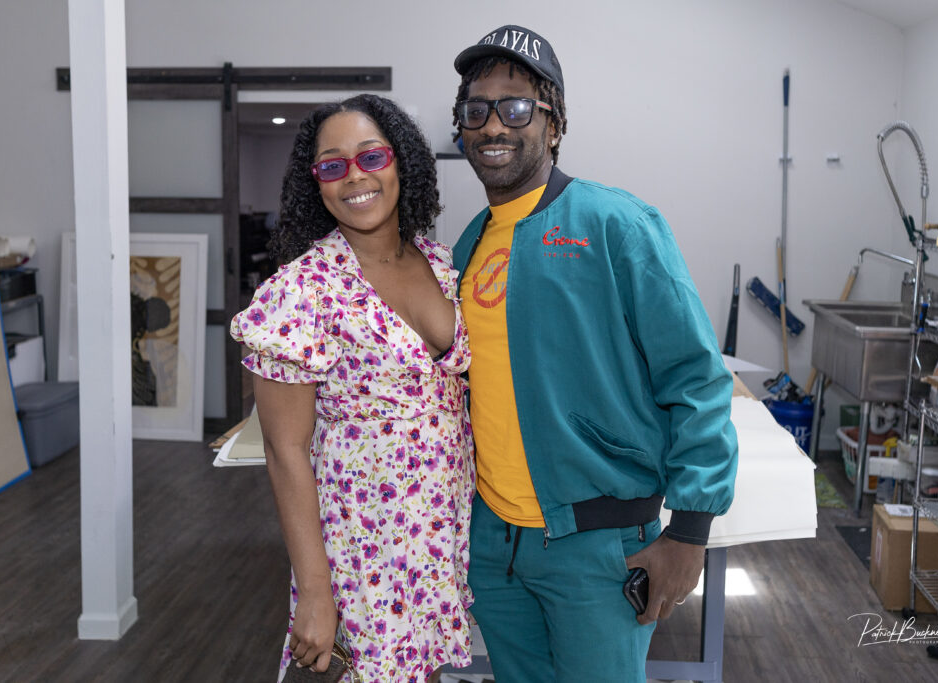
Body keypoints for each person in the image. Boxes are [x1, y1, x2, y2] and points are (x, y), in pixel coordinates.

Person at [450, 25, 739, 682]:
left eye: (515, 106)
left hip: (599, 546)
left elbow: (696, 377)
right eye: (476, 109)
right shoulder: (469, 245)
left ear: (554, 124)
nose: (493, 124)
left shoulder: (615, 225)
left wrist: (689, 530)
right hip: (495, 544)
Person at [231, 93, 474, 683]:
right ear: (314, 184)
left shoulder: (439, 262)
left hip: (439, 530)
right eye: (333, 166)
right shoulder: (301, 291)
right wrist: (316, 592)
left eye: (371, 156)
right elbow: (285, 451)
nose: (355, 177)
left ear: (400, 162)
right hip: (364, 541)